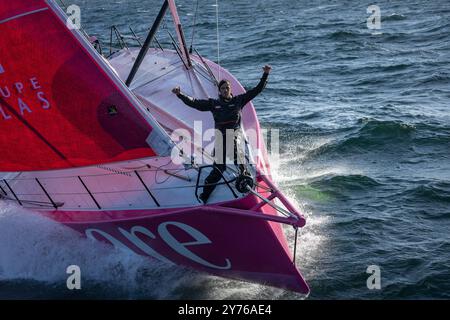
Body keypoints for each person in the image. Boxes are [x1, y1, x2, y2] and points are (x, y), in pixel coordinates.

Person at [172, 65, 272, 203]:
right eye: (223, 88)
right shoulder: (214, 104)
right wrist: (180, 95)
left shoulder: (239, 100)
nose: (225, 90)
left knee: (237, 154)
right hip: (220, 139)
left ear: (230, 89)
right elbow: (195, 103)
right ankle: (204, 196)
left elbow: (257, 90)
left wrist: (265, 74)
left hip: (234, 135)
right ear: (219, 91)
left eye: (227, 88)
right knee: (218, 169)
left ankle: (246, 179)